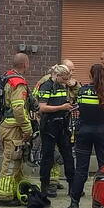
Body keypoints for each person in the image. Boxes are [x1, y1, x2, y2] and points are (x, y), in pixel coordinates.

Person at [64, 63, 104, 208]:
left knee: (81, 170)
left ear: (91, 75)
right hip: (102, 133)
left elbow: (75, 104)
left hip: (84, 132)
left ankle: (74, 206)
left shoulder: (83, 90)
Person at [0, 52, 33, 206]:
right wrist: (27, 127)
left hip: (7, 126)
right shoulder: (18, 83)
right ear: (25, 64)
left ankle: (14, 192)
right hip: (14, 129)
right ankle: (3, 197)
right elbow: (18, 107)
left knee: (16, 161)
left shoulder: (7, 78)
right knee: (10, 162)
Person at [35, 64, 76, 197]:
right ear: (57, 76)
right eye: (64, 79)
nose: (66, 82)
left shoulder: (62, 86)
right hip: (49, 125)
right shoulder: (46, 86)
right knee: (47, 157)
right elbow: (42, 108)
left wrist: (69, 107)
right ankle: (44, 187)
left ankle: (72, 187)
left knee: (68, 155)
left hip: (62, 125)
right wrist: (62, 107)